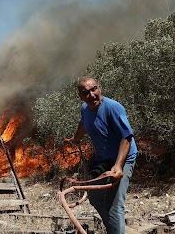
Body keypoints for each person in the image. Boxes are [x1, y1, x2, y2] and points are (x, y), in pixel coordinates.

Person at [66, 76, 137, 234]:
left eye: (94, 89)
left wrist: (118, 167)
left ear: (100, 89)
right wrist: (76, 138)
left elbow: (127, 138)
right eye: (86, 93)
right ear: (81, 97)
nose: (91, 95)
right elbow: (83, 123)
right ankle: (113, 229)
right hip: (104, 158)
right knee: (95, 198)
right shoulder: (85, 108)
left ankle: (115, 228)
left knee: (114, 205)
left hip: (123, 158)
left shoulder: (113, 108)